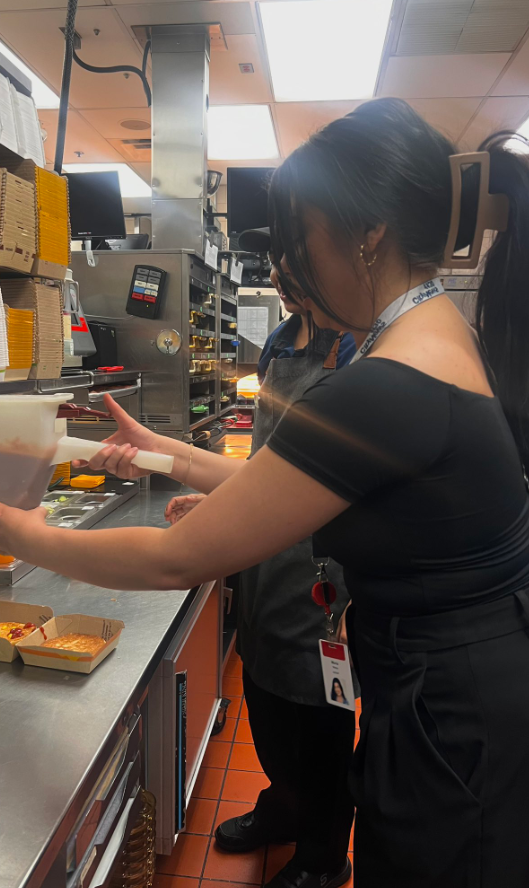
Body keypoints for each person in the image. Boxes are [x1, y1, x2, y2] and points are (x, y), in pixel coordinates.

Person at [0, 98, 529, 887]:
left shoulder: (387, 383)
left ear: (365, 233)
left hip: (462, 717)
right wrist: (167, 455)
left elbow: (178, 557)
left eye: (298, 237)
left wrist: (29, 536)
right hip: (484, 684)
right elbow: (291, 484)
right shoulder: (434, 336)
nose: (291, 267)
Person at [166, 234, 357, 888]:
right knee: (265, 696)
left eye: (295, 266)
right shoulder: (281, 340)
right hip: (264, 561)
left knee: (319, 718)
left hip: (322, 573)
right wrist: (220, 506)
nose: (281, 279)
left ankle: (323, 854)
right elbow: (262, 465)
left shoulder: (361, 347)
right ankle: (283, 807)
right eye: (277, 267)